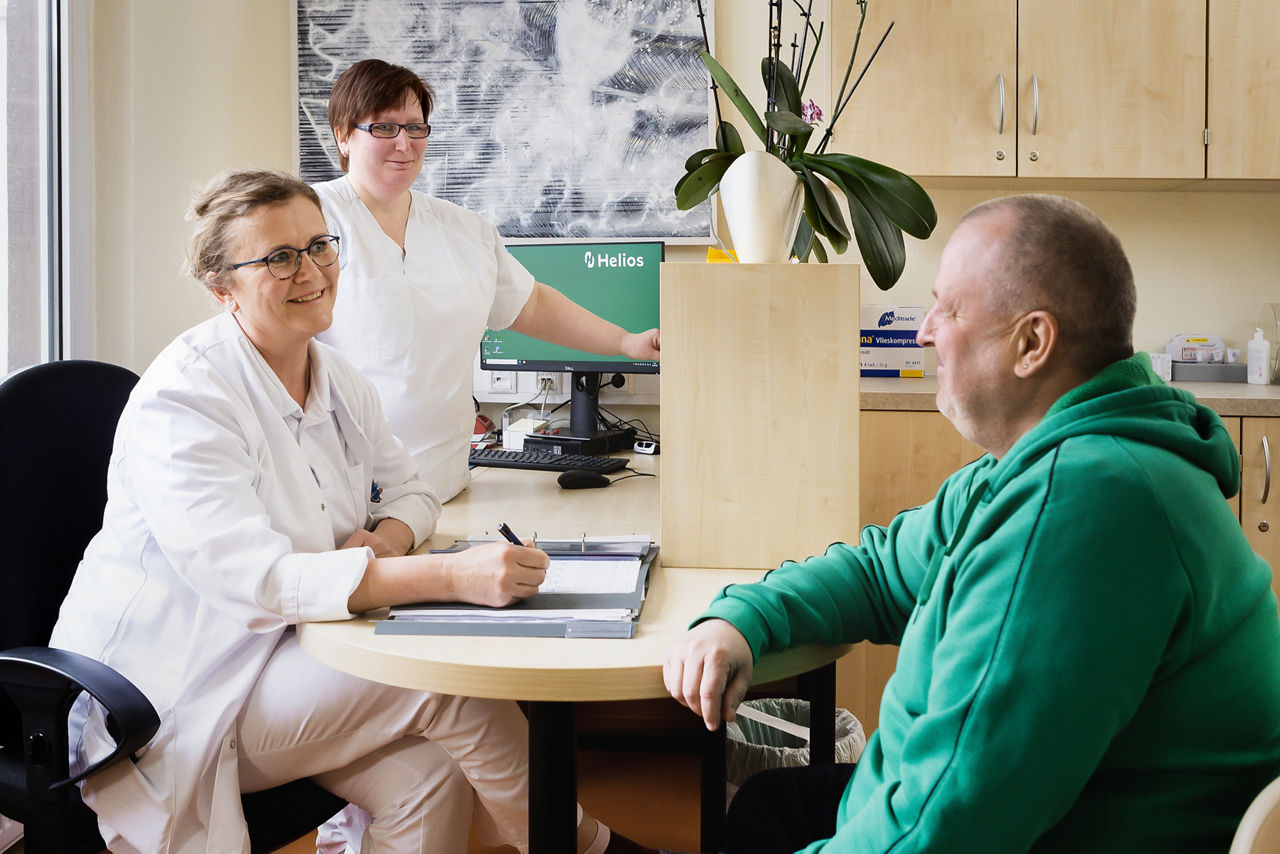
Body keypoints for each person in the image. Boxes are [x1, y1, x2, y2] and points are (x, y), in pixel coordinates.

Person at [49, 169, 653, 854]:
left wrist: (389, 544)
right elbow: (263, 582)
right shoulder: (186, 400)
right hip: (170, 689)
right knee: (448, 685)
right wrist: (449, 579)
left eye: (320, 246)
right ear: (223, 290)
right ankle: (584, 846)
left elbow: (415, 491)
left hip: (284, 654)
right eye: (279, 257)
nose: (311, 270)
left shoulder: (336, 378)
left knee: (431, 776)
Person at [663, 194, 1280, 853]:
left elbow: (948, 829)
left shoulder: (1086, 503)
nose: (925, 330)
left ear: (1032, 343)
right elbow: (879, 572)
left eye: (948, 308)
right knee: (766, 806)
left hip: (1017, 830)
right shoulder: (1036, 465)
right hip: (979, 806)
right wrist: (743, 618)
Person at [312, 58, 661, 503]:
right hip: (347, 497)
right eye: (384, 128)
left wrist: (626, 343)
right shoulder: (312, 220)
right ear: (343, 134)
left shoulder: (464, 229)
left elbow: (530, 306)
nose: (404, 144)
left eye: (416, 128)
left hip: (443, 486)